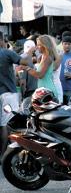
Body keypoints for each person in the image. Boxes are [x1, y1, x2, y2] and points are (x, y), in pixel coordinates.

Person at [0, 31, 30, 159]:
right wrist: (29, 53)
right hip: (8, 94)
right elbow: (24, 62)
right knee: (6, 125)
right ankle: (4, 155)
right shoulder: (6, 53)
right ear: (2, 40)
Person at [22, 35, 60, 101]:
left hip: (47, 89)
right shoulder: (41, 57)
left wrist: (26, 68)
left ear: (45, 46)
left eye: (39, 45)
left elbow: (40, 75)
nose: (37, 47)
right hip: (42, 89)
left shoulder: (48, 58)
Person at [60, 36, 71, 104]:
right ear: (62, 44)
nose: (67, 46)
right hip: (59, 88)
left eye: (69, 44)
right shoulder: (58, 56)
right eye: (65, 44)